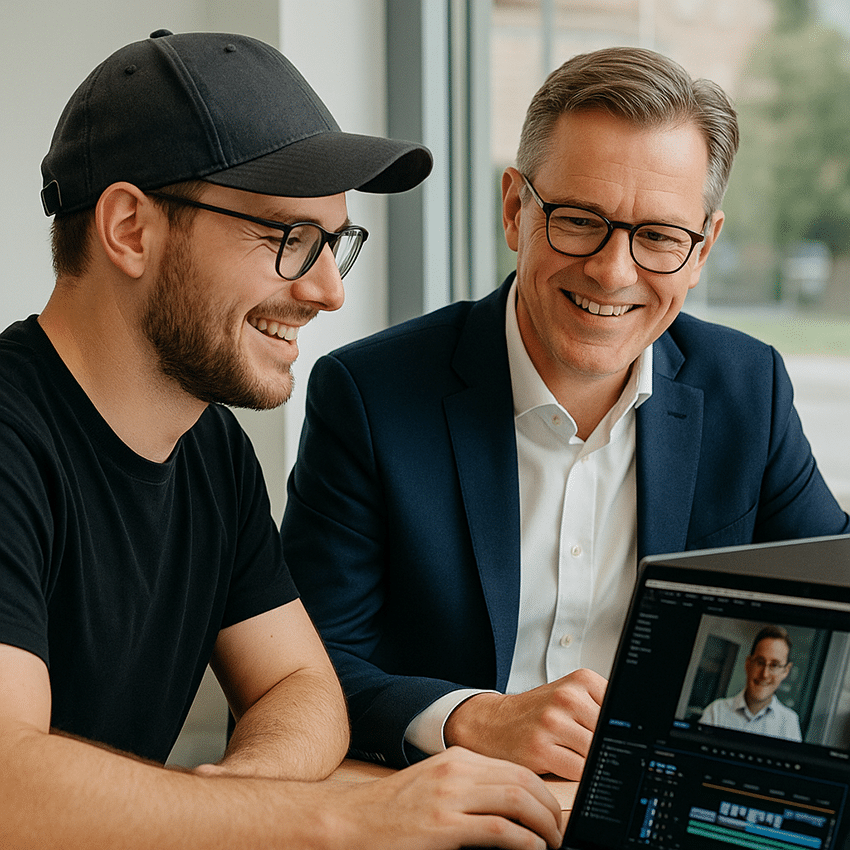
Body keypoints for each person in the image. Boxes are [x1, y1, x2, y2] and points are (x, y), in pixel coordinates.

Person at [0, 30, 566, 850]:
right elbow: (8, 785)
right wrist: (342, 820)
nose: (329, 291)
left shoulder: (210, 448)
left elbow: (302, 688)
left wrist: (239, 803)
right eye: (289, 238)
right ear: (129, 228)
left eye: (334, 244)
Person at [281, 46, 850, 780]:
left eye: (658, 236)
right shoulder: (369, 396)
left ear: (703, 248)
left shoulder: (750, 390)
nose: (612, 272)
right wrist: (468, 718)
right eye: (580, 220)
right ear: (515, 210)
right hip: (448, 802)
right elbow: (301, 672)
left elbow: (830, 605)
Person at [700, 626, 802, 741]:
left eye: (774, 665)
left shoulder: (789, 723)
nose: (764, 674)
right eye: (760, 662)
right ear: (748, 664)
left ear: (785, 671)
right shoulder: (715, 712)